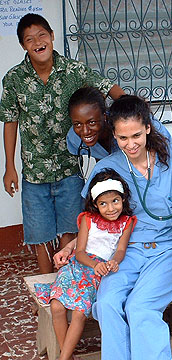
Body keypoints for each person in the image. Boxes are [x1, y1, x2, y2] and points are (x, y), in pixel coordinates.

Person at [56, 94, 172, 359]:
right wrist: (73, 245)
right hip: (125, 250)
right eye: (122, 138)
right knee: (106, 303)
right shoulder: (108, 168)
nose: (130, 145)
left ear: (148, 128)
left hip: (167, 250)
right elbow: (94, 220)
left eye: (136, 136)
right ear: (114, 135)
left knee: (139, 308)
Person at [0, 13, 124, 274]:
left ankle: (67, 286)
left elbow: (107, 86)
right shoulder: (13, 79)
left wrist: (133, 110)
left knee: (71, 231)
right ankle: (47, 290)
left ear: (52, 36)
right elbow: (10, 122)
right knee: (41, 237)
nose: (38, 42)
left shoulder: (74, 71)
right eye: (29, 39)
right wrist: (9, 167)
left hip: (70, 170)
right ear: (24, 45)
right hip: (34, 172)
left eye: (42, 35)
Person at [35, 168, 136, 360]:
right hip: (78, 266)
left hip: (97, 274)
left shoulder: (127, 222)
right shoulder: (88, 219)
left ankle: (63, 357)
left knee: (80, 313)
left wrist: (114, 261)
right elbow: (79, 252)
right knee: (56, 307)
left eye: (115, 201)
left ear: (123, 198)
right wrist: (93, 264)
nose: (111, 208)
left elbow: (121, 249)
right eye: (103, 203)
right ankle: (67, 355)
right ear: (96, 205)